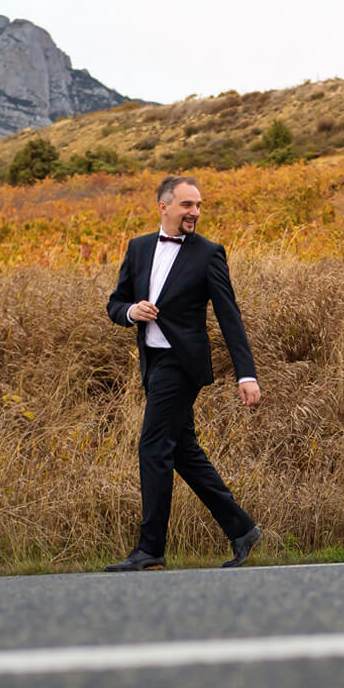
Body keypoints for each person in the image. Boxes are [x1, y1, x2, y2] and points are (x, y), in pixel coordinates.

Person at [102, 175, 264, 572]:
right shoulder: (139, 248)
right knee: (183, 452)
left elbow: (230, 317)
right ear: (164, 206)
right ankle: (241, 528)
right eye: (187, 205)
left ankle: (150, 549)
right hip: (153, 363)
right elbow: (115, 303)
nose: (194, 212)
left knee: (153, 448)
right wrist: (130, 312)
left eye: (198, 206)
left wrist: (246, 374)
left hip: (183, 364)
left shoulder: (209, 253)